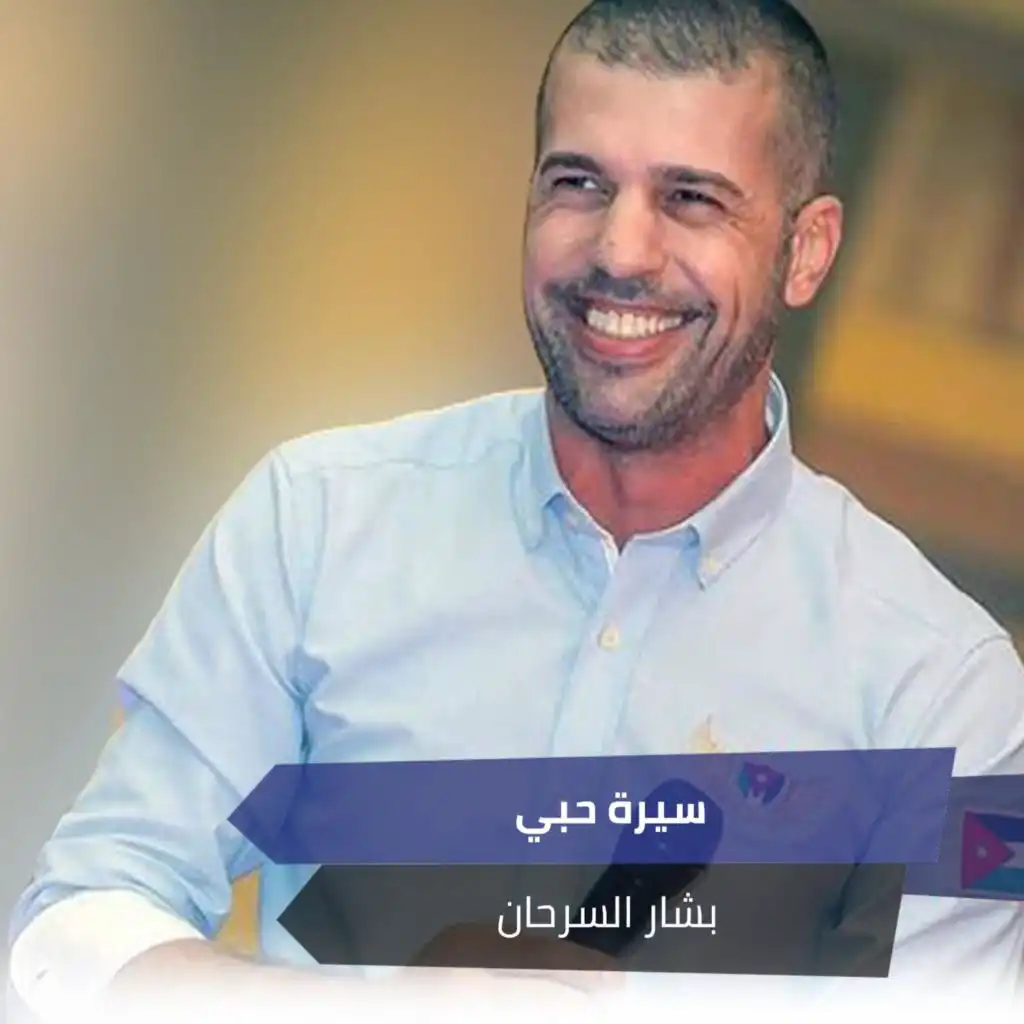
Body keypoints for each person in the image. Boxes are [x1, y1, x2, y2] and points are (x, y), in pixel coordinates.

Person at [10, 0, 1024, 1018]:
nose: (621, 250)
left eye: (690, 199)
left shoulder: (945, 696)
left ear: (805, 251)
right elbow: (70, 934)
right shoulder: (317, 524)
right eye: (579, 183)